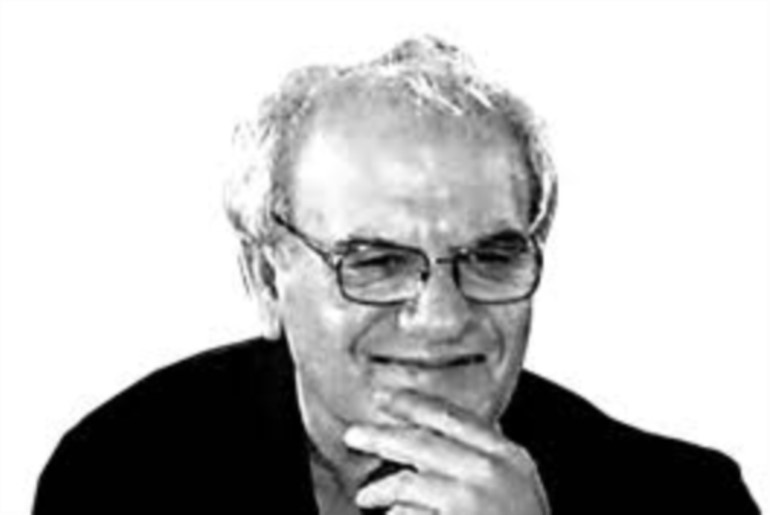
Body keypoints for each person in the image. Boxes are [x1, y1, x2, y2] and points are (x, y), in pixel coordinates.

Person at [33, 36, 759, 515]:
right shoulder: (122, 472)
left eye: (491, 256)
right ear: (266, 280)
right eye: (376, 263)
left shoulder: (689, 501)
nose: (442, 318)